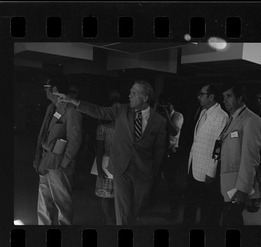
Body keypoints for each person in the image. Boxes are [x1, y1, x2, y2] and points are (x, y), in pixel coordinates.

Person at [55, 80, 166, 225]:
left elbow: (160, 150)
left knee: (137, 211)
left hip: (143, 173)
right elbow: (99, 111)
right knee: (122, 212)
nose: (129, 95)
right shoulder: (121, 110)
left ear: (145, 98)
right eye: (130, 91)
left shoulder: (159, 121)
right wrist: (74, 101)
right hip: (121, 170)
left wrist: (153, 172)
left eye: (134, 93)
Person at [33, 75, 82, 225]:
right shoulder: (51, 107)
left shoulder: (72, 110)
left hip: (59, 165)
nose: (44, 91)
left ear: (54, 89)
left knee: (62, 203)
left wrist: (63, 164)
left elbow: (75, 140)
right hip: (44, 161)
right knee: (43, 202)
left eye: (46, 87)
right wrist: (37, 157)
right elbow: (43, 134)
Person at [217, 84, 261, 226]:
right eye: (223, 96)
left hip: (237, 185)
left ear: (240, 97)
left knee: (231, 221)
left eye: (229, 96)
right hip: (226, 181)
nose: (224, 100)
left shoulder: (251, 119)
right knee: (229, 220)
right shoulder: (231, 118)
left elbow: (250, 159)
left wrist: (243, 189)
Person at [183, 84, 228, 226]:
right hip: (194, 164)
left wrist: (211, 171)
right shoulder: (203, 112)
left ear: (211, 96)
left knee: (206, 209)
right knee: (189, 203)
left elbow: (218, 147)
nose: (198, 97)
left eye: (202, 94)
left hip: (206, 170)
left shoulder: (222, 117)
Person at [93, 90, 121, 225]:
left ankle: (114, 219)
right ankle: (109, 218)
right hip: (105, 162)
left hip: (120, 163)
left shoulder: (126, 128)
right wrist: (99, 167)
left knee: (117, 195)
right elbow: (99, 149)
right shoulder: (102, 127)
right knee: (105, 193)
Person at [155, 93, 184, 220]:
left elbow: (174, 131)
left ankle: (175, 210)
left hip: (171, 151)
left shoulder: (178, 116)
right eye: (163, 104)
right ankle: (151, 203)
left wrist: (166, 116)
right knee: (153, 179)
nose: (165, 107)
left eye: (168, 105)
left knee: (172, 183)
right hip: (158, 151)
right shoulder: (157, 115)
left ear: (173, 105)